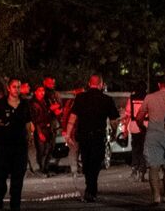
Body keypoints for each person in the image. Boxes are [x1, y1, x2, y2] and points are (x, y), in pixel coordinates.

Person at [64, 74, 119, 202]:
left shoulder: (80, 98)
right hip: (98, 135)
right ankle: (91, 189)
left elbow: (73, 117)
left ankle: (90, 187)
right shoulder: (107, 100)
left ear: (89, 83)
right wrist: (114, 133)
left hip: (83, 135)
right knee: (95, 163)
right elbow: (113, 120)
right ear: (101, 84)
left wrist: (68, 133)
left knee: (86, 161)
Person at [0, 78, 33, 211]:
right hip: (3, 145)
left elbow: (28, 122)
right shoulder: (0, 104)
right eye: (14, 87)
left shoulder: (24, 104)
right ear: (8, 88)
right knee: (1, 175)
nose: (16, 90)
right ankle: (0, 199)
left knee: (18, 174)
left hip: (19, 145)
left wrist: (29, 135)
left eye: (18, 87)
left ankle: (15, 203)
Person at [136, 77, 165, 205]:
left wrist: (143, 128)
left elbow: (139, 118)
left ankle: (156, 196)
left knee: (153, 167)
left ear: (159, 84)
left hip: (152, 135)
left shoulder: (149, 98)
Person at [31, 84, 58, 175]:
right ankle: (41, 169)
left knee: (49, 149)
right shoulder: (34, 104)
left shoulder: (45, 101)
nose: (42, 93)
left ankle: (45, 168)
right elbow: (35, 120)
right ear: (35, 92)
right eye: (40, 91)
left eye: (43, 91)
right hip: (41, 129)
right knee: (41, 151)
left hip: (48, 128)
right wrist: (39, 133)